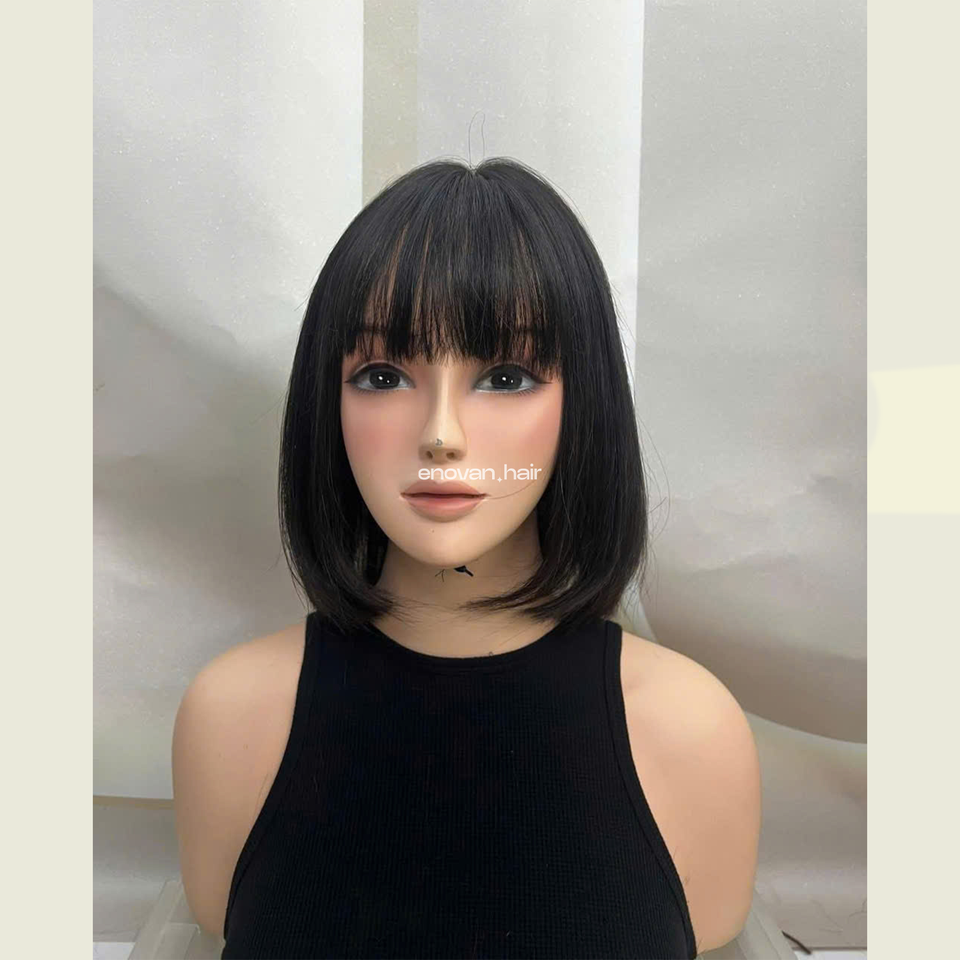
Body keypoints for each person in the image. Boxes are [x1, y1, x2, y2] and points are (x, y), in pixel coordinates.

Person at [172, 157, 761, 959]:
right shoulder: (233, 718)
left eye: (506, 376)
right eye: (383, 375)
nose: (441, 435)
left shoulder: (691, 731)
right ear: (327, 403)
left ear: (583, 403)